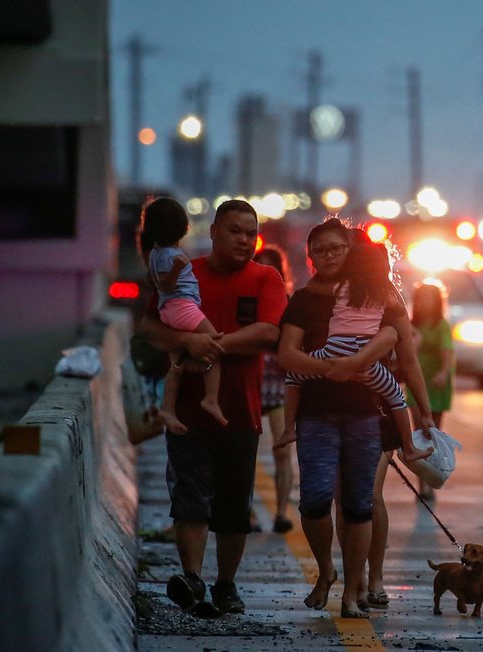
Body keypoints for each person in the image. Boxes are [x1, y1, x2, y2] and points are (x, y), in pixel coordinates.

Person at [277, 217, 436, 619]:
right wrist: (329, 368)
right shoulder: (304, 299)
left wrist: (426, 412)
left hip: (370, 413)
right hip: (316, 414)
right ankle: (329, 571)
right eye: (320, 250)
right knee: (315, 502)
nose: (329, 256)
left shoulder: (381, 293)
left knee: (361, 503)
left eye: (337, 248)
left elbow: (408, 359)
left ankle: (360, 586)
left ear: (350, 250)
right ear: (309, 257)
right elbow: (287, 356)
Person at [140, 199, 287, 617]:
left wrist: (211, 344)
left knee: (233, 509)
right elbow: (150, 326)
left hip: (242, 410)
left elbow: (269, 332)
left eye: (250, 232)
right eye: (235, 230)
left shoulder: (266, 277)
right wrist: (187, 341)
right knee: (188, 500)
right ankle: (192, 578)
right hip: (186, 415)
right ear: (214, 232)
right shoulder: (189, 272)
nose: (244, 239)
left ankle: (226, 584)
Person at [275, 238, 433, 465]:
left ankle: (289, 429)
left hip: (334, 348)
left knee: (293, 378)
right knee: (396, 397)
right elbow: (399, 313)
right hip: (366, 358)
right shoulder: (383, 293)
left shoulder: (339, 287)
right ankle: (408, 447)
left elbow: (314, 288)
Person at [141, 197, 227, 434]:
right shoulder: (170, 256)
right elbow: (166, 286)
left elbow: (156, 284)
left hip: (170, 310)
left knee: (175, 366)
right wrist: (179, 268)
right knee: (215, 345)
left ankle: (168, 410)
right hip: (182, 307)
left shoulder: (155, 254)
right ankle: (211, 398)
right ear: (183, 227)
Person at [253, 243, 296, 534]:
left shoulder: (290, 304)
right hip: (249, 383)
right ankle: (247, 514)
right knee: (245, 453)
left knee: (282, 452)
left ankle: (281, 512)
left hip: (280, 386)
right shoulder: (245, 299)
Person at [405, 281, 455, 500]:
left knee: (433, 433)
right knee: (419, 436)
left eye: (430, 299)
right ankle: (422, 485)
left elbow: (447, 352)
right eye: (421, 299)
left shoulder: (441, 325)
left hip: (436, 385)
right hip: (417, 383)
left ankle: (432, 478)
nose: (425, 303)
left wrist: (444, 373)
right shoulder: (410, 325)